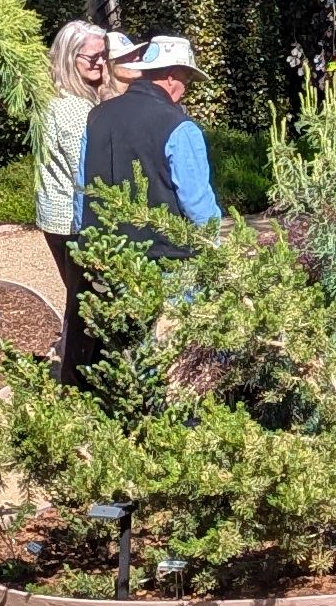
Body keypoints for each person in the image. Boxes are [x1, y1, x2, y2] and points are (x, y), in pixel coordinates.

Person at [35, 20, 118, 375]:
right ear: (70, 59)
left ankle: (76, 369)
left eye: (105, 55)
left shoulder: (56, 100)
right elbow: (83, 170)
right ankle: (75, 375)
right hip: (72, 218)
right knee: (86, 300)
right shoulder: (74, 110)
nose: (101, 63)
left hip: (55, 216)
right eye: (93, 57)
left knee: (79, 297)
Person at [80, 32, 222, 240]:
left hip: (104, 253)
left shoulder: (96, 116)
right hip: (165, 258)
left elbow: (82, 187)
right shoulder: (180, 126)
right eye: (187, 79)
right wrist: (216, 246)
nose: (186, 88)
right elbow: (197, 203)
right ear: (172, 76)